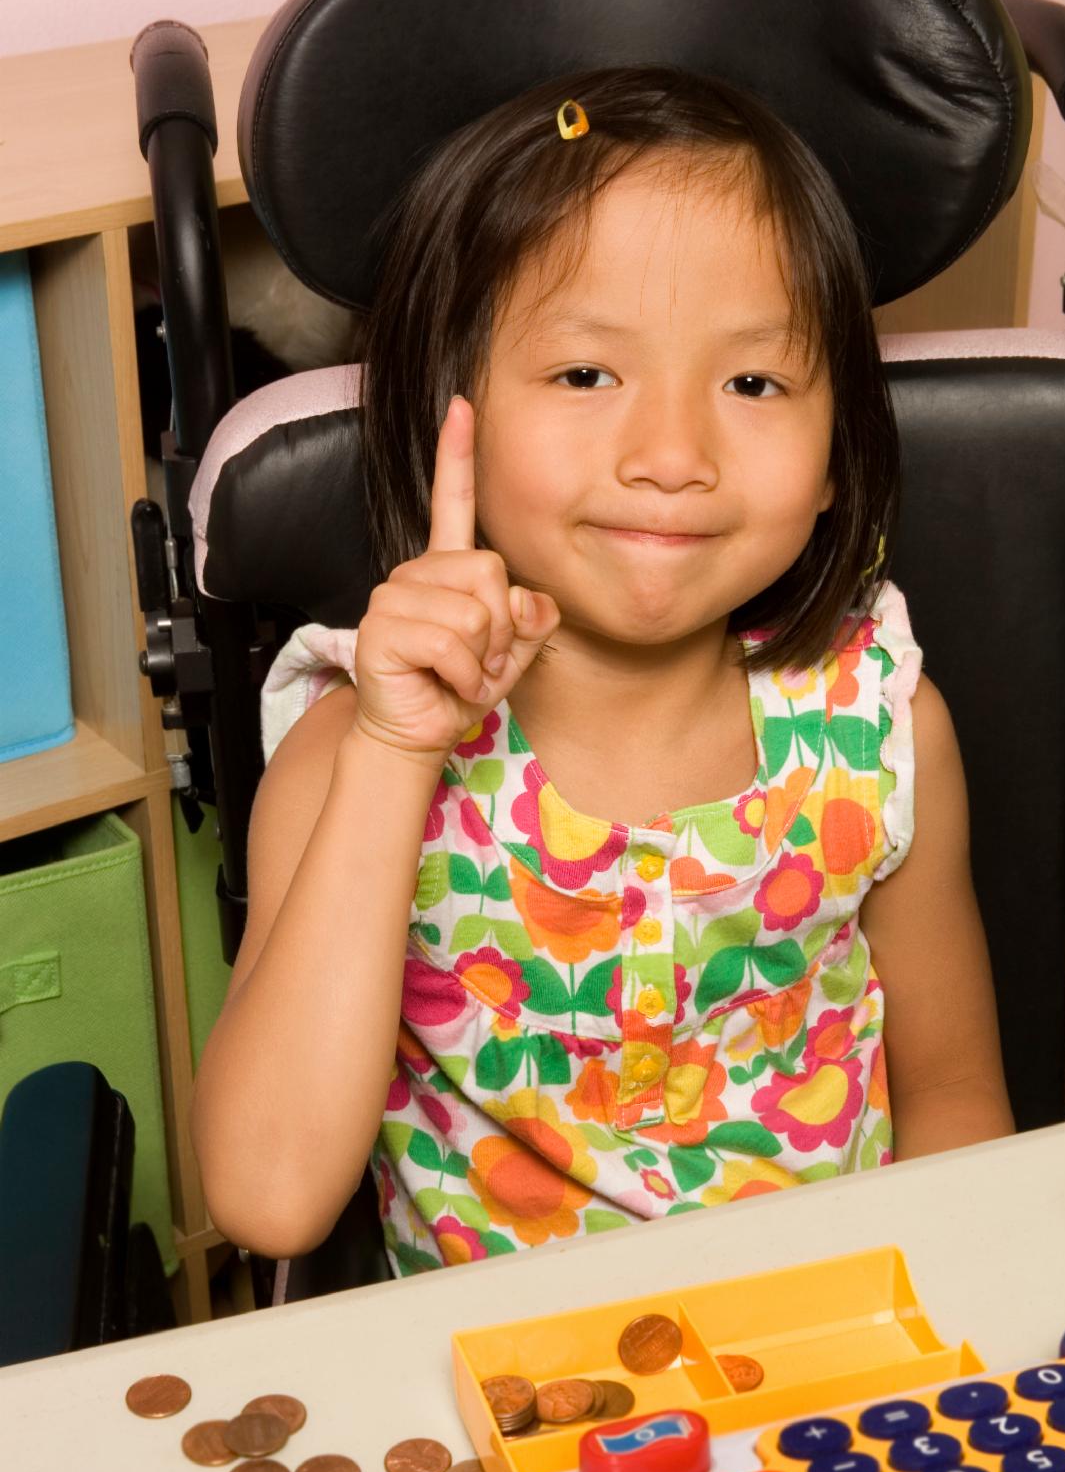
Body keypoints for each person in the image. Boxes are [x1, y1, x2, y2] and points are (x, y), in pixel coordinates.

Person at [190, 65, 1014, 1273]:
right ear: (443, 418)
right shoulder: (352, 747)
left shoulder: (881, 728)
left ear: (841, 450)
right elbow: (269, 1201)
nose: (672, 453)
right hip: (513, 1409)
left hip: (830, 1376)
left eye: (753, 382)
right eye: (586, 374)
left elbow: (953, 1107)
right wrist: (394, 751)